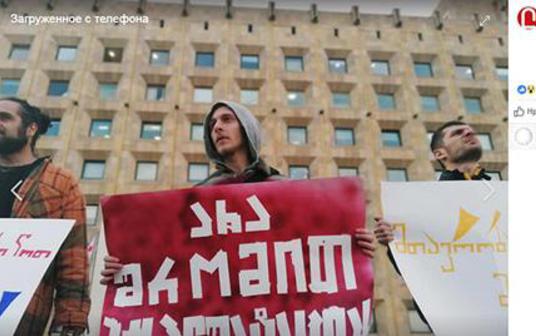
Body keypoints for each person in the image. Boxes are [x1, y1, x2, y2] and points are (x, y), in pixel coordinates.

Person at [101, 101, 376, 283]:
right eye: (211, 125)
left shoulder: (287, 191)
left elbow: (316, 251)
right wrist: (126, 268)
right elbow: (171, 259)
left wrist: (354, 244)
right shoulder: (194, 200)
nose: (217, 127)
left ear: (247, 129)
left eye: (227, 119)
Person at [374, 120, 491, 327]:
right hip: (462, 314)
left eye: (471, 131)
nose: (468, 133)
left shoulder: (499, 193)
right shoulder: (423, 204)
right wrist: (394, 244)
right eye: (458, 133)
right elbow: (420, 267)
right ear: (439, 154)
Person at [0, 97, 90, 335]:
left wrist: (69, 326)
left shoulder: (61, 184)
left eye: (4, 117)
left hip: (16, 320)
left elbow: (73, 266)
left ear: (31, 129)